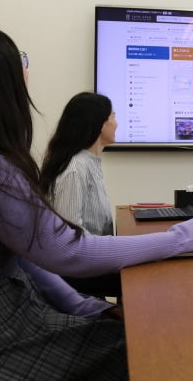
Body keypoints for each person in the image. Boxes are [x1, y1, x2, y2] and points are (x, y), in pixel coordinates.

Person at [0, 22, 193, 380]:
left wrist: (83, 306)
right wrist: (180, 237)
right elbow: (67, 248)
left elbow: (26, 255)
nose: (26, 70)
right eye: (20, 60)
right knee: (154, 345)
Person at [40, 92, 121, 297]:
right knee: (142, 276)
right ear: (100, 124)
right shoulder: (76, 168)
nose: (116, 123)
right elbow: (70, 237)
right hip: (78, 272)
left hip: (91, 261)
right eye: (113, 116)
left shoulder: (89, 161)